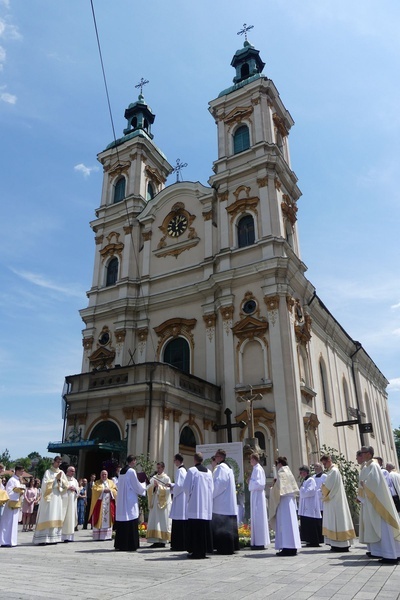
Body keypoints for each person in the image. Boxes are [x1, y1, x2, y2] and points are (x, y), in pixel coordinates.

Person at [358, 446, 400, 564]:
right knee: (381, 529)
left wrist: (363, 484)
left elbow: (374, 482)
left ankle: (391, 555)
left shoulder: (374, 466)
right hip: (373, 502)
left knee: (385, 528)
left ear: (369, 454)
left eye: (363, 452)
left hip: (379, 503)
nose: (361, 454)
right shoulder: (368, 466)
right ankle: (386, 553)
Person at [320, 454, 355, 552]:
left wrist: (322, 487)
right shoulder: (332, 471)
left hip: (335, 500)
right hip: (334, 500)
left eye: (325, 463)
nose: (324, 466)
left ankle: (341, 544)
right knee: (336, 521)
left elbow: (328, 487)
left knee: (337, 521)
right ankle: (336, 544)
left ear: (329, 461)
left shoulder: (334, 471)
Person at [183, 452, 214, 559]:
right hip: (205, 506)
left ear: (194, 459)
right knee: (203, 529)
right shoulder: (209, 472)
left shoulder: (192, 471)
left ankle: (196, 551)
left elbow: (186, 488)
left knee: (195, 530)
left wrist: (190, 497)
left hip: (195, 505)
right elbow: (212, 489)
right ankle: (204, 551)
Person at [33, 456, 69, 545]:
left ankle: (53, 538)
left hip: (57, 496)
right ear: (53, 462)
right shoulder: (48, 472)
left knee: (56, 515)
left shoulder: (61, 472)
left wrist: (60, 481)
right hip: (49, 497)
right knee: (48, 515)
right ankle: (43, 538)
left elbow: (66, 485)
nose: (58, 464)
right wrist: (55, 479)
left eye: (60, 462)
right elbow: (45, 484)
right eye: (57, 462)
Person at [269, 456, 300, 556]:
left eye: (277, 464)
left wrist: (272, 488)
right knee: (291, 525)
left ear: (280, 464)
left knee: (285, 525)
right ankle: (293, 547)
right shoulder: (289, 472)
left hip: (283, 502)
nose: (277, 467)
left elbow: (278, 489)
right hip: (289, 502)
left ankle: (287, 547)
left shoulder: (281, 472)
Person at [114, 455, 146, 552]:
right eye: (135, 461)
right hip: (129, 499)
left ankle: (120, 544)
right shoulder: (131, 471)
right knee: (131, 519)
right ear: (132, 461)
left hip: (122, 499)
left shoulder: (121, 471)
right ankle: (131, 545)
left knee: (123, 521)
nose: (135, 463)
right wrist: (144, 485)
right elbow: (136, 485)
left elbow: (118, 484)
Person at [212, 448, 239, 555]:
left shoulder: (221, 468)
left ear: (220, 457)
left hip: (222, 504)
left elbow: (219, 484)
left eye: (216, 456)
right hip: (227, 503)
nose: (215, 458)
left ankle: (224, 548)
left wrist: (211, 494)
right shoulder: (228, 467)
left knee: (223, 527)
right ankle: (229, 547)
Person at [146, 461, 172, 548]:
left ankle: (162, 541)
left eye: (159, 468)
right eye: (157, 468)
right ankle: (155, 540)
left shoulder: (166, 478)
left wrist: (159, 487)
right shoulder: (153, 478)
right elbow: (148, 488)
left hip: (162, 504)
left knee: (162, 521)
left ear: (163, 468)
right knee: (154, 520)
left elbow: (168, 490)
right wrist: (153, 487)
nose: (158, 469)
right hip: (155, 502)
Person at [248, 452, 270, 549]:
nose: (250, 461)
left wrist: (250, 482)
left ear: (254, 459)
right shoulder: (256, 469)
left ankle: (259, 542)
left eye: (251, 459)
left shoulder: (257, 469)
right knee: (256, 518)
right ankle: (257, 542)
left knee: (258, 518)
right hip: (256, 495)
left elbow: (260, 483)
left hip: (258, 496)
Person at [0, 465, 25, 547]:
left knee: (14, 523)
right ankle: (4, 541)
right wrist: (17, 491)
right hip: (11, 504)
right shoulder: (12, 480)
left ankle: (12, 541)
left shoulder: (17, 480)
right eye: (21, 471)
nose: (22, 473)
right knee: (8, 522)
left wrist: (20, 492)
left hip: (16, 503)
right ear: (17, 471)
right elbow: (8, 492)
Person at [88, 470, 117, 541]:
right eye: (102, 474)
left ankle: (107, 536)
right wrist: (103, 490)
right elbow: (95, 490)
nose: (104, 476)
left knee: (108, 519)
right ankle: (98, 536)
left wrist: (110, 491)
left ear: (107, 475)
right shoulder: (97, 483)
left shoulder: (111, 482)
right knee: (99, 518)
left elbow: (115, 490)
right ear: (100, 475)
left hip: (109, 505)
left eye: (105, 474)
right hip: (99, 505)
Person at [298, 465, 321, 547]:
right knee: (306, 523)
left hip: (310, 506)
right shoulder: (305, 480)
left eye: (301, 472)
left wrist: (301, 490)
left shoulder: (311, 480)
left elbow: (310, 491)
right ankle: (309, 540)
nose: (300, 474)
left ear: (305, 472)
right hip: (306, 506)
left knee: (311, 523)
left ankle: (314, 541)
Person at [169, 453, 187, 551]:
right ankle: (182, 544)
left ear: (178, 460)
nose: (174, 462)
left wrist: (172, 488)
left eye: (174, 460)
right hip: (182, 498)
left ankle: (178, 545)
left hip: (180, 499)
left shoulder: (180, 471)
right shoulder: (184, 470)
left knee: (179, 521)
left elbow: (179, 486)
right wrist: (172, 485)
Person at [61, 465, 79, 542]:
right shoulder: (63, 479)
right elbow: (60, 489)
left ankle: (70, 537)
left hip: (72, 503)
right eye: (71, 471)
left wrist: (75, 489)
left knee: (71, 518)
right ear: (67, 471)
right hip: (64, 502)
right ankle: (62, 536)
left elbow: (78, 491)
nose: (73, 472)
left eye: (74, 471)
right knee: (64, 518)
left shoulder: (75, 481)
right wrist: (68, 488)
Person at [313, 462, 326, 543]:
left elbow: (324, 487)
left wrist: (318, 492)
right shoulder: (313, 477)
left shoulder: (325, 476)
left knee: (323, 519)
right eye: (315, 467)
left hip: (322, 500)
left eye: (317, 466)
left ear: (321, 467)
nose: (316, 468)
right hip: (315, 501)